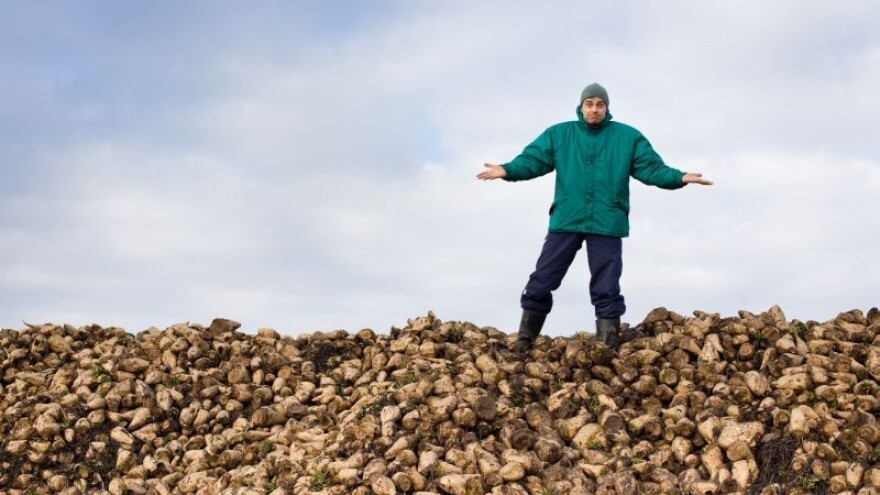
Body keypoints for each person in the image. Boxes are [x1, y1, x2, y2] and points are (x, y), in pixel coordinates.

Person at [477, 82, 712, 352]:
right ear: (581, 107)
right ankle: (524, 341)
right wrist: (507, 170)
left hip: (607, 221)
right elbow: (532, 160)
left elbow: (651, 168)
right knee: (542, 279)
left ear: (607, 108)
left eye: (600, 104)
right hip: (567, 219)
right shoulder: (560, 134)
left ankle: (608, 345)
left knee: (607, 285)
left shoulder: (628, 137)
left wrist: (679, 177)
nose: (594, 109)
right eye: (589, 104)